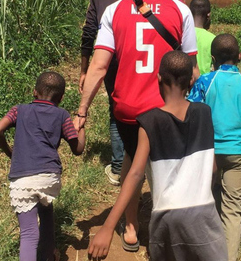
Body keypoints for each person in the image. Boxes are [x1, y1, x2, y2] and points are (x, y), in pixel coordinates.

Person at [75, 0, 198, 252]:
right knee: (166, 171)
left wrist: (82, 111)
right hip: (164, 110)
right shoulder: (180, 10)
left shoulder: (114, 10)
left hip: (127, 110)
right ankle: (165, 234)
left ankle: (131, 228)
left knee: (132, 164)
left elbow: (99, 66)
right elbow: (192, 70)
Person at [88, 51, 227, 261]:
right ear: (191, 80)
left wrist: (108, 227)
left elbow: (135, 175)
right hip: (203, 215)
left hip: (167, 218)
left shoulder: (149, 123)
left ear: (159, 78)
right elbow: (214, 169)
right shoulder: (204, 113)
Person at [0, 71, 85, 261]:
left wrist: (11, 153)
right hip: (49, 176)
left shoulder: (19, 110)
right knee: (46, 210)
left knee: (29, 233)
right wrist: (81, 126)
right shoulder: (62, 115)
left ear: (35, 92)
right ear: (61, 97)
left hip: (23, 178)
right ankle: (48, 255)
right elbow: (78, 149)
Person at [188, 34, 241, 261]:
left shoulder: (204, 81)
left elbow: (192, 116)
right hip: (238, 153)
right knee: (232, 211)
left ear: (212, 58)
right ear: (239, 56)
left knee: (206, 201)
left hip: (208, 153)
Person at [80, 0, 141, 185]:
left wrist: (84, 69)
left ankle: (118, 168)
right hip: (142, 57)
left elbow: (88, 32)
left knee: (116, 110)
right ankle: (145, 162)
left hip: (112, 61)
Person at [190, 0, 215, 74]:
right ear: (209, 15)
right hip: (205, 83)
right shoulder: (213, 39)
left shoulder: (182, 35)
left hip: (185, 82)